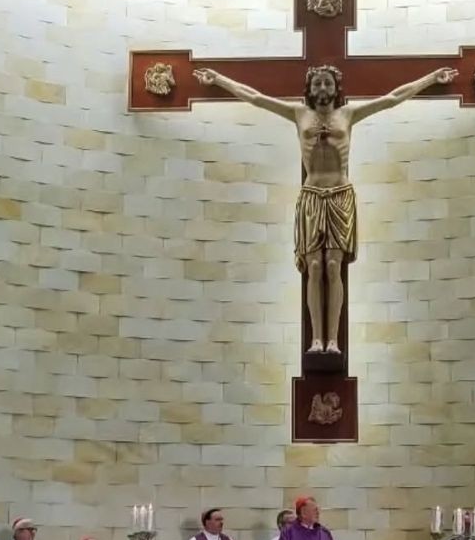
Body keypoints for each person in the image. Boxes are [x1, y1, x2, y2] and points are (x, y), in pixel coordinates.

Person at [192, 64, 457, 354]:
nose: (322, 89)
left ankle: (333, 340)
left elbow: (392, 97)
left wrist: (432, 78)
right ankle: (316, 338)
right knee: (314, 267)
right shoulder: (298, 114)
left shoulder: (348, 114)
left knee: (334, 266)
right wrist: (218, 80)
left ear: (336, 87)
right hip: (311, 196)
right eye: (317, 83)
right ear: (309, 87)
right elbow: (255, 97)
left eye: (327, 84)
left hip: (340, 196)